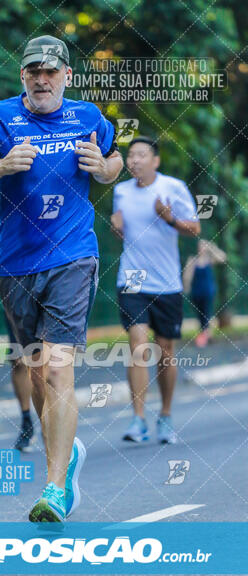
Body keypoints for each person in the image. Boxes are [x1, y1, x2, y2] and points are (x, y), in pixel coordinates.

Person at [0, 35, 123, 521]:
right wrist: (1, 165)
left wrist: (105, 169)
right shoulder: (0, 117)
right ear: (23, 76)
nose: (42, 79)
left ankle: (55, 488)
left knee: (55, 368)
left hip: (73, 257)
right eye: (34, 71)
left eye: (51, 71)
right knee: (34, 375)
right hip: (17, 265)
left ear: (67, 75)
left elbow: (112, 162)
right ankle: (67, 455)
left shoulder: (88, 117)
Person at [111, 136, 200, 444]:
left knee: (165, 352)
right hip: (132, 278)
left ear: (155, 161)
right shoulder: (120, 191)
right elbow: (122, 231)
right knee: (137, 345)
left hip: (166, 282)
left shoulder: (172, 188)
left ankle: (164, 415)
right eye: (131, 155)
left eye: (141, 155)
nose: (134, 160)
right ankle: (138, 420)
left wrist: (170, 219)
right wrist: (116, 227)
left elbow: (195, 228)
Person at [0, 218, 34, 452]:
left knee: (51, 356)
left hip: (54, 277)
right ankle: (27, 419)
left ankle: (53, 416)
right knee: (18, 359)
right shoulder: (9, 185)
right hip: (17, 279)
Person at [183, 239, 226, 347]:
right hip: (196, 292)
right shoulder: (192, 260)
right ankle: (207, 335)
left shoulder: (210, 260)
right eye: (200, 246)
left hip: (208, 291)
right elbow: (187, 276)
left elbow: (223, 258)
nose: (201, 248)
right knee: (200, 314)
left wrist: (211, 247)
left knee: (206, 312)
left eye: (203, 246)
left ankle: (205, 336)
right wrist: (186, 287)